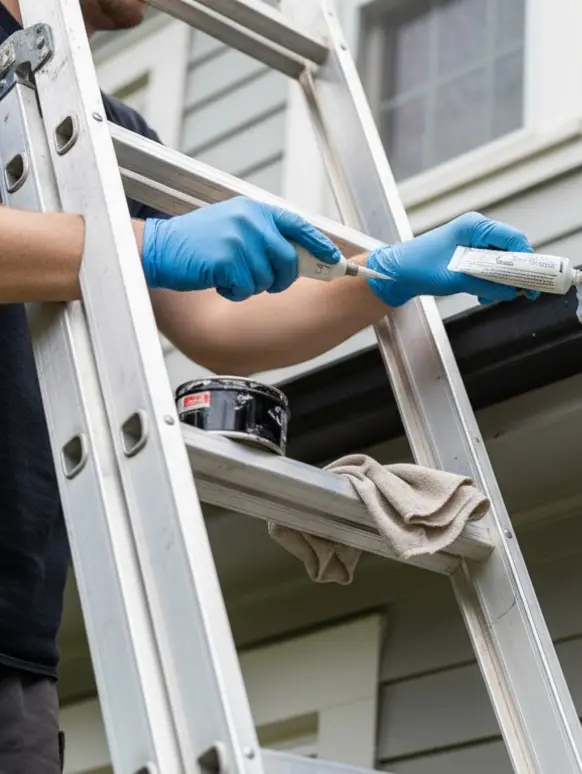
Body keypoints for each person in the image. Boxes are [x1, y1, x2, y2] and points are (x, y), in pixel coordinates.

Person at [0, 2, 536, 771]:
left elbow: (221, 322)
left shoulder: (99, 129)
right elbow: (145, 254)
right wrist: (139, 245)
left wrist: (386, 278)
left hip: (18, 644)